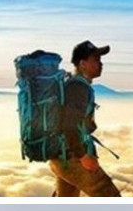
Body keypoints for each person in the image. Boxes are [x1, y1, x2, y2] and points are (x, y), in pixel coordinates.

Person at [49, 40, 121, 197]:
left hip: (61, 157)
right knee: (111, 197)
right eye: (96, 59)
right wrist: (82, 156)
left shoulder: (74, 84)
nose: (101, 64)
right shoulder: (78, 88)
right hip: (72, 157)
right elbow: (70, 124)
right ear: (83, 63)